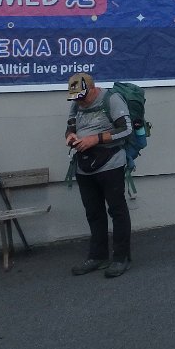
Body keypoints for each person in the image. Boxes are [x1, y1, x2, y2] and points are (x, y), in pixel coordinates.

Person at [64, 72, 132, 278]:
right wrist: (70, 136)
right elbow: (70, 126)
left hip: (111, 164)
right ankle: (98, 256)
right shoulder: (76, 103)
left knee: (117, 211)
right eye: (76, 98)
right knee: (93, 212)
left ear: (93, 88)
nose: (80, 101)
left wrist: (95, 139)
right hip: (84, 166)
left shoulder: (111, 99)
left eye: (83, 97)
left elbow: (126, 129)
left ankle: (121, 257)